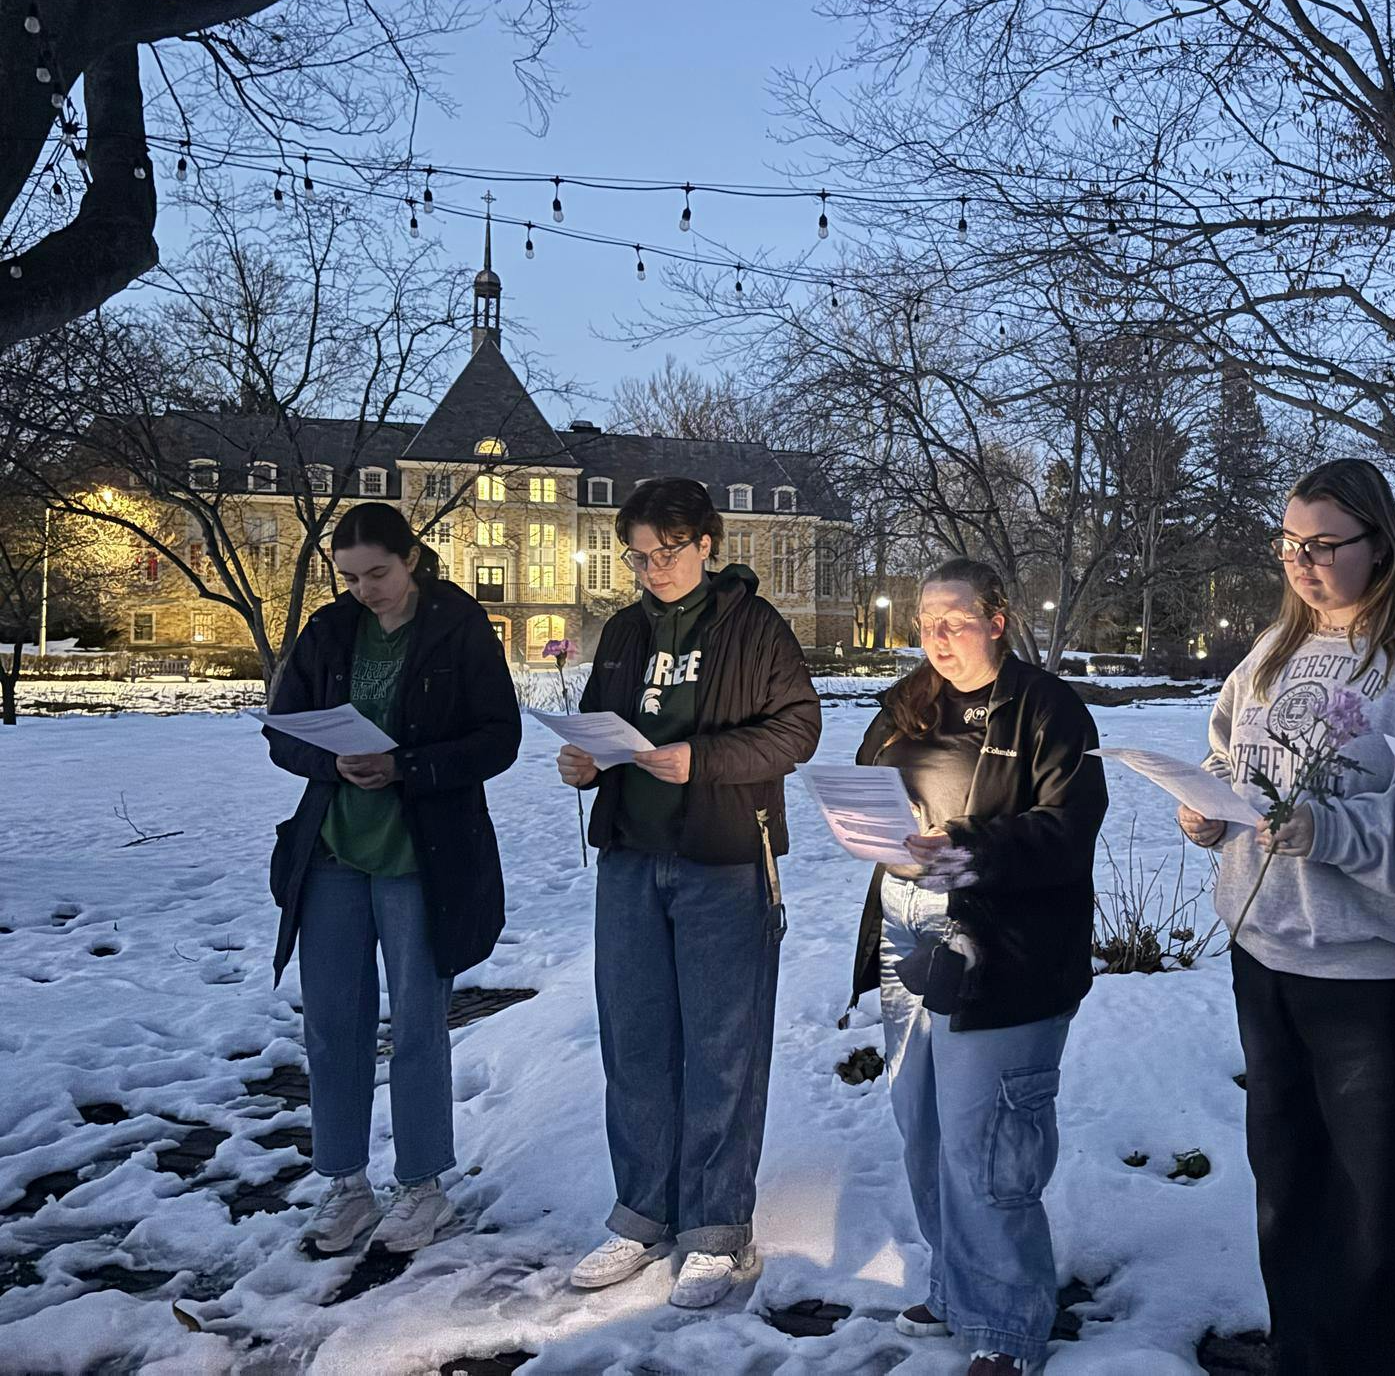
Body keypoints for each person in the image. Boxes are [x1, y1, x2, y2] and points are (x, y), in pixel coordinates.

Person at [1178, 458, 1395, 1375]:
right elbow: (1231, 761)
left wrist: (1330, 831)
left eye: (1325, 544)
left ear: (1382, 542)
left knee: (1394, 1224)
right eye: (1290, 543)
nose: (1302, 561)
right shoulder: (1271, 653)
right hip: (1271, 961)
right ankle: (1309, 1356)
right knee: (1292, 1201)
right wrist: (1211, 810)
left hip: (1393, 984)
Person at [558, 477, 820, 1307]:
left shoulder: (753, 625)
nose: (649, 570)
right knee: (633, 1041)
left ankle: (718, 1230)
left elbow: (798, 729)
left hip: (724, 857)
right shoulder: (625, 630)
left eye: (665, 552)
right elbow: (603, 718)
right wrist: (586, 762)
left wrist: (703, 761)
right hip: (634, 856)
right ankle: (642, 1213)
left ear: (706, 544)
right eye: (636, 556)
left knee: (722, 1050)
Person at [842, 558, 1107, 1376]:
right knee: (919, 1119)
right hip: (906, 927)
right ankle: (957, 1285)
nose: (937, 636)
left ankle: (1008, 1323)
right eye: (926, 621)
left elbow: (1070, 829)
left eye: (955, 619)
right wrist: (865, 822)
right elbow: (864, 781)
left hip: (1003, 946)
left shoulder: (1048, 708)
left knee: (987, 1136)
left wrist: (971, 848)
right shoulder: (908, 703)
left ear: (998, 618)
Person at [264, 501, 521, 1255]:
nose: (363, 589)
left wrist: (406, 766)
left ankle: (423, 1187)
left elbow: (497, 738)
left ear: (411, 559)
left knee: (416, 1025)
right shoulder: (330, 629)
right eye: (349, 577)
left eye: (377, 572)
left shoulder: (457, 625)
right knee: (333, 1025)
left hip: (423, 855)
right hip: (334, 852)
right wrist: (329, 761)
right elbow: (284, 728)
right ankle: (344, 1184)